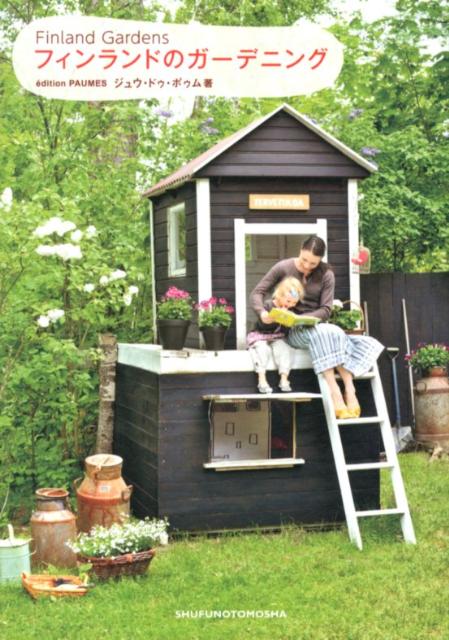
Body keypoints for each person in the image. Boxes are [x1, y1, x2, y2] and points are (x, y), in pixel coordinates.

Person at [249, 236, 384, 418]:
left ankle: (350, 389)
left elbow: (326, 310)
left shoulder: (327, 274)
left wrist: (302, 317)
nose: (306, 266)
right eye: (304, 260)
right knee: (321, 334)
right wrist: (262, 313)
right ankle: (335, 391)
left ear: (320, 260)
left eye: (313, 263)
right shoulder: (283, 267)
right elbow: (257, 292)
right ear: (300, 251)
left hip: (314, 325)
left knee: (334, 330)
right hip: (293, 331)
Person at [247, 277, 304, 394]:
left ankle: (284, 379)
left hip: (277, 336)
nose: (291, 305)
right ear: (279, 295)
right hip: (261, 334)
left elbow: (285, 331)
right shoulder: (268, 305)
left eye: (294, 303)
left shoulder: (289, 309)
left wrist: (289, 321)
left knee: (284, 349)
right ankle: (262, 379)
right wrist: (273, 318)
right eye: (288, 301)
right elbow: (262, 325)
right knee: (262, 350)